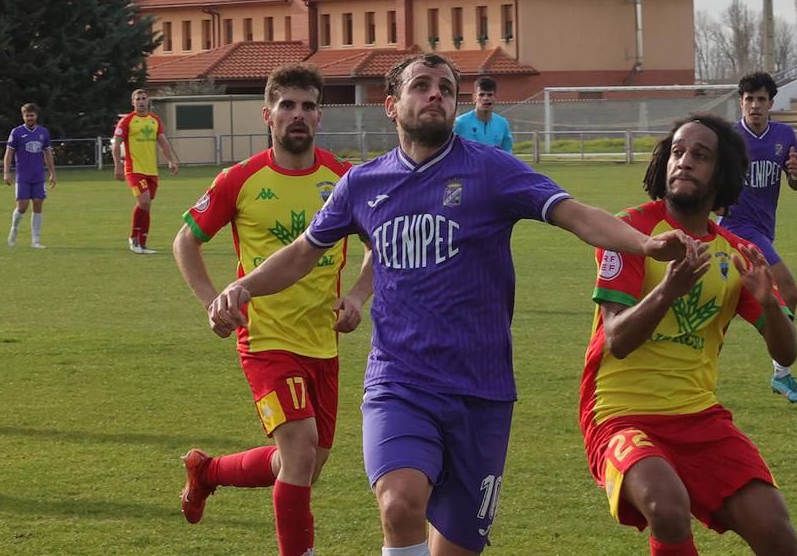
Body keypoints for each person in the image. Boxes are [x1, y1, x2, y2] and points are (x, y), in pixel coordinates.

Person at [205, 53, 696, 556]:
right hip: (400, 383)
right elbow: (301, 254)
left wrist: (645, 244)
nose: (436, 93)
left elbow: (576, 215)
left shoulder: (493, 170)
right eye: (422, 85)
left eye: (445, 86)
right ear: (393, 106)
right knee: (399, 504)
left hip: (482, 392)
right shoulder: (362, 184)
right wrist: (245, 286)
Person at [173, 64, 373, 556]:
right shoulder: (239, 179)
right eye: (287, 105)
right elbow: (186, 240)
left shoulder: (344, 180)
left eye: (307, 106)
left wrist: (358, 295)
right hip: (264, 338)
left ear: (319, 117)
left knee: (305, 463)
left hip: (322, 340)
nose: (297, 115)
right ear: (268, 114)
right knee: (300, 452)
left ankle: (208, 471)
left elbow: (379, 245)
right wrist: (213, 305)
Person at [581, 114, 797, 556]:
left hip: (699, 417)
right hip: (621, 414)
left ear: (721, 175)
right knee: (667, 505)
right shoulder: (633, 233)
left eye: (700, 156)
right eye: (678, 152)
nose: (684, 162)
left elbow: (787, 353)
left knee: (775, 529)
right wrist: (668, 290)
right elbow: (617, 340)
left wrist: (772, 305)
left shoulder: (737, 254)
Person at [719, 71, 797, 404]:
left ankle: (690, 369)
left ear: (771, 103)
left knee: (722, 301)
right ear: (741, 102)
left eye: (761, 99)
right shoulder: (729, 137)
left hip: (763, 229)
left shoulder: (784, 135)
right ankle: (782, 374)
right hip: (734, 226)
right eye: (749, 99)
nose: (755, 105)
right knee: (788, 290)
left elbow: (796, 182)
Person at [111, 88, 179, 254]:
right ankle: (133, 238)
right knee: (144, 201)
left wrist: (171, 161)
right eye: (138, 99)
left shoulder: (154, 120)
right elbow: (116, 144)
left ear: (148, 101)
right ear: (133, 102)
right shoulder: (127, 121)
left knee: (147, 206)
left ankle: (143, 243)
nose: (141, 102)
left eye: (144, 98)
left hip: (151, 171)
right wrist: (118, 166)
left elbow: (163, 143)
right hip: (134, 169)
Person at [3, 102, 57, 248]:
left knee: (38, 203)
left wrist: (52, 172)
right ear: (23, 116)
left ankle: (36, 240)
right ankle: (14, 229)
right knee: (22, 207)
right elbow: (9, 153)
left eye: (32, 115)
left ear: (36, 116)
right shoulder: (17, 132)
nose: (30, 118)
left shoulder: (43, 132)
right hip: (23, 176)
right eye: (27, 115)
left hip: (38, 175)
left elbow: (47, 153)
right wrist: (6, 173)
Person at [453, 76, 514, 152]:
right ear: (474, 98)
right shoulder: (459, 123)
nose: (485, 98)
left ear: (495, 97)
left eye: (490, 95)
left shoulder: (502, 124)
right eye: (481, 95)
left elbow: (507, 154)